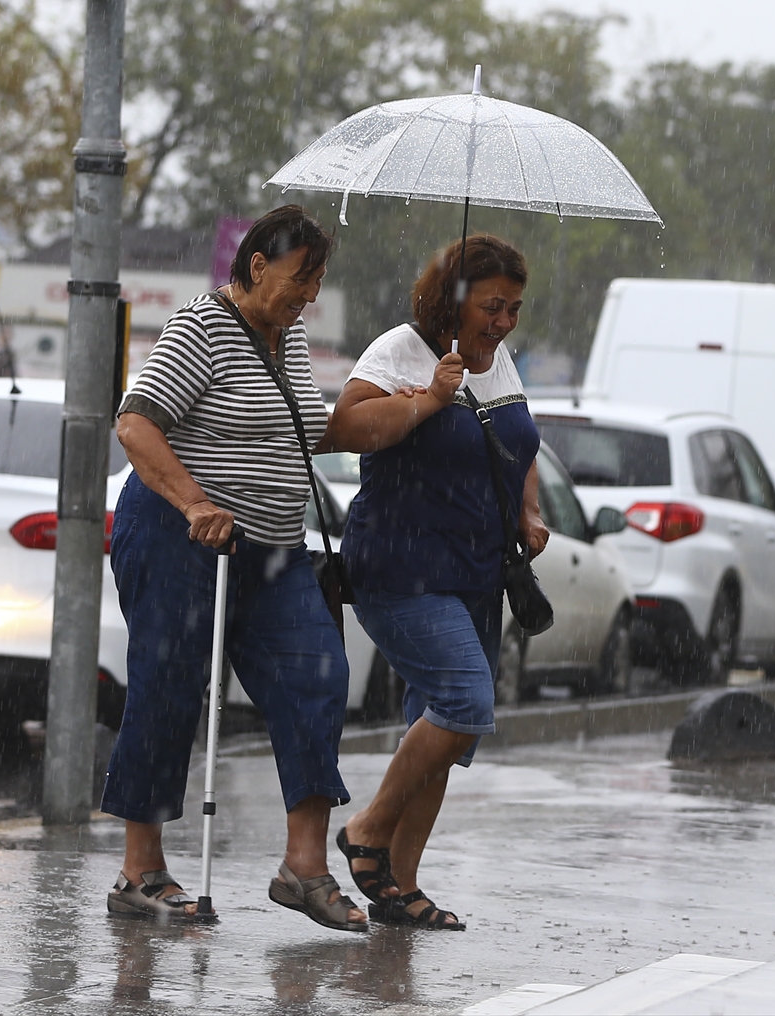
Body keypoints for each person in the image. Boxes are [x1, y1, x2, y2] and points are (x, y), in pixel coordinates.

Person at [102, 205, 367, 932]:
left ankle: (302, 869)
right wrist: (192, 502)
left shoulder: (287, 335)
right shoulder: (199, 328)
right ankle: (140, 870)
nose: (309, 293)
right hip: (181, 537)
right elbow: (135, 421)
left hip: (276, 549)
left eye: (317, 280)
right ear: (257, 266)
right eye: (300, 276)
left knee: (318, 677)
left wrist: (420, 404)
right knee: (168, 689)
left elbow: (307, 425)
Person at [330, 233, 549, 930]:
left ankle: (399, 885)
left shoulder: (498, 358)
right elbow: (345, 428)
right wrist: (428, 397)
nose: (503, 322)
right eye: (491, 306)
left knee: (445, 736)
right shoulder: (403, 350)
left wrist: (528, 508)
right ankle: (366, 829)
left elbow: (515, 442)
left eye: (513, 308)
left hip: (477, 570)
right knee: (462, 703)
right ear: (455, 297)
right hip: (403, 564)